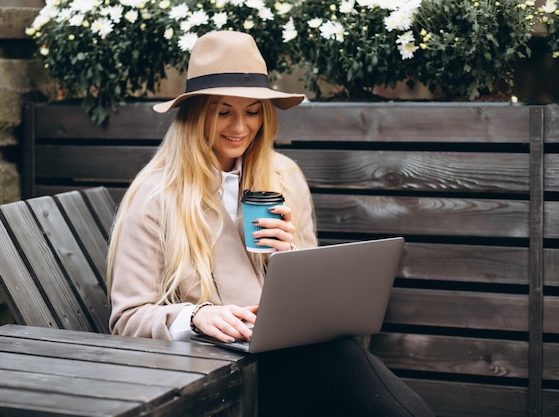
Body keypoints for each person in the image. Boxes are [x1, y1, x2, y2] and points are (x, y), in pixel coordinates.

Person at [107, 30, 435, 417]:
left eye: (252, 111)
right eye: (224, 110)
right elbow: (127, 318)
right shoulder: (157, 194)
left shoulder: (282, 177)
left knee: (339, 355)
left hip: (286, 355)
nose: (240, 127)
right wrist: (196, 316)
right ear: (197, 114)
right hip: (214, 369)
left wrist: (290, 255)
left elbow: (314, 302)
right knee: (342, 366)